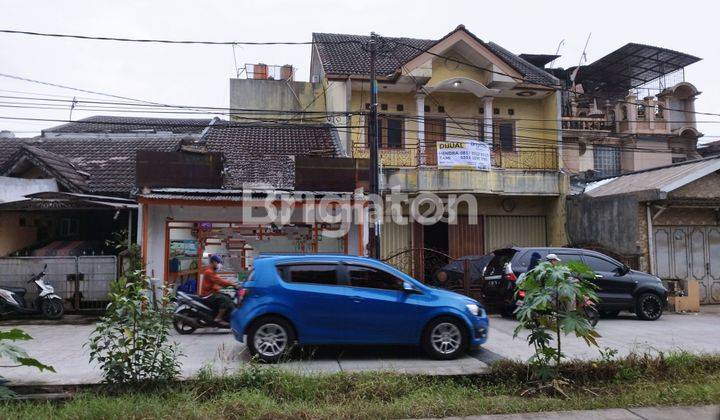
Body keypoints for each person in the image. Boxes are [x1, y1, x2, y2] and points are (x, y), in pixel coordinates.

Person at [199, 255, 236, 327]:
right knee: (225, 300)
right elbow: (219, 281)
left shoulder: (212, 271)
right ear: (213, 262)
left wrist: (227, 285)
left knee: (228, 296)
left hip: (212, 292)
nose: (219, 264)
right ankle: (218, 318)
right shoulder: (209, 272)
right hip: (208, 294)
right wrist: (232, 284)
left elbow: (217, 282)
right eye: (218, 262)